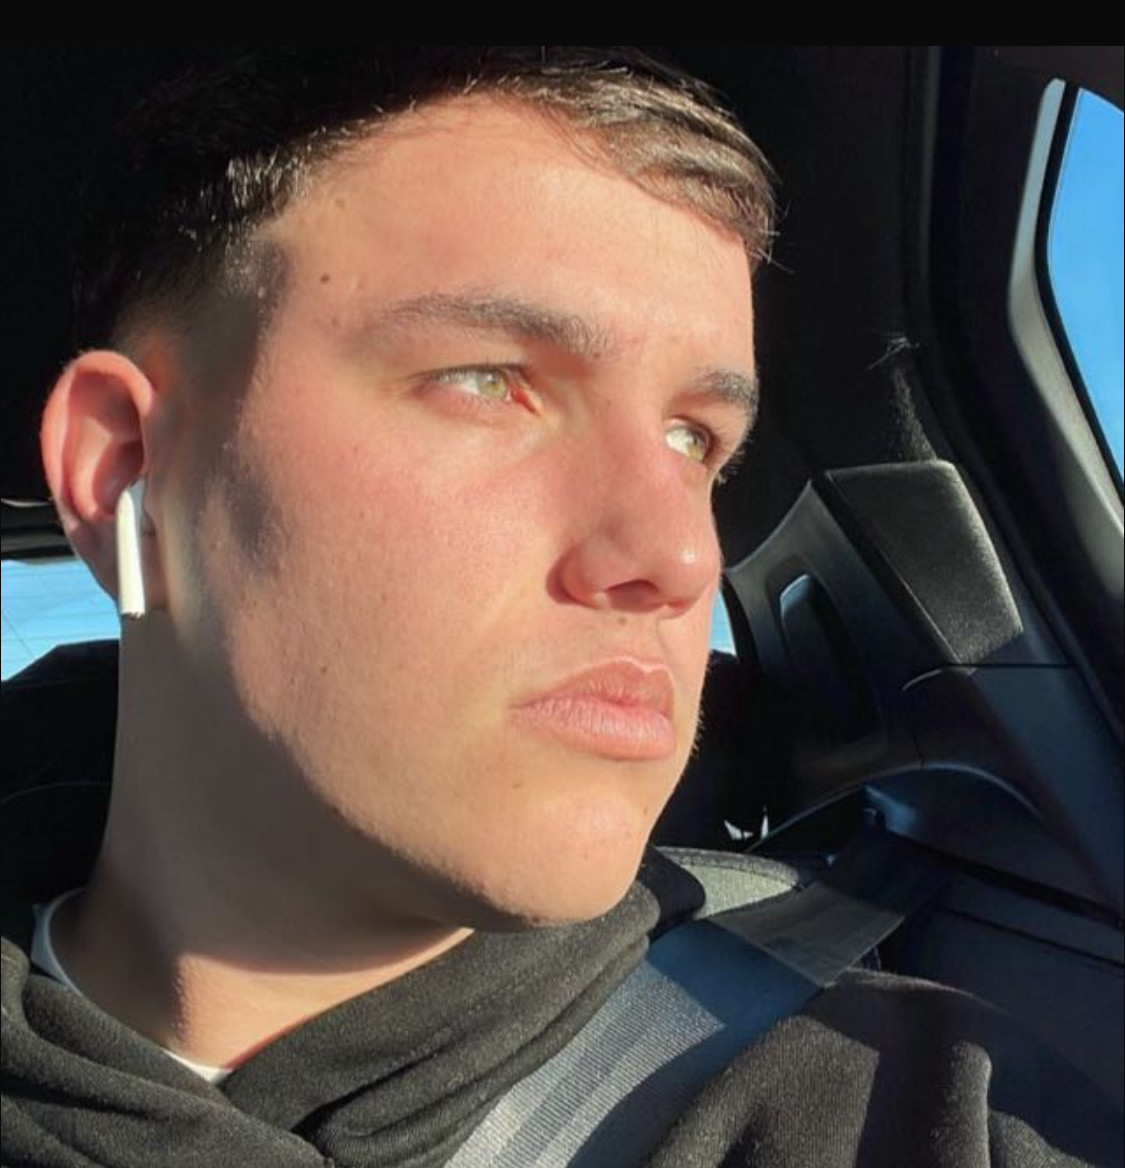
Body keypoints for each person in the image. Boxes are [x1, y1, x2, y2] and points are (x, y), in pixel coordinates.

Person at [2, 48, 1120, 1168]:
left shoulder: (920, 1115)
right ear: (126, 467)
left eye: (694, 439)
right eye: (491, 381)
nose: (677, 555)